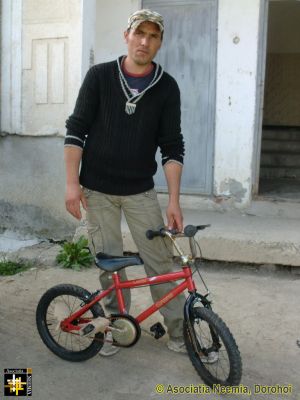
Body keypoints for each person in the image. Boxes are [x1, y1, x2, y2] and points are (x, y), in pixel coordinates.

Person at [64, 9, 186, 356]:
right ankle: (118, 330)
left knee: (161, 263)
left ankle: (179, 334)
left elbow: (172, 145)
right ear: (126, 35)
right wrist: (72, 185)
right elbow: (76, 130)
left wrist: (174, 201)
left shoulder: (166, 87)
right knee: (109, 264)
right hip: (97, 191)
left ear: (160, 42)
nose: (145, 41)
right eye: (139, 33)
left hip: (140, 192)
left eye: (153, 36)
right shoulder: (100, 77)